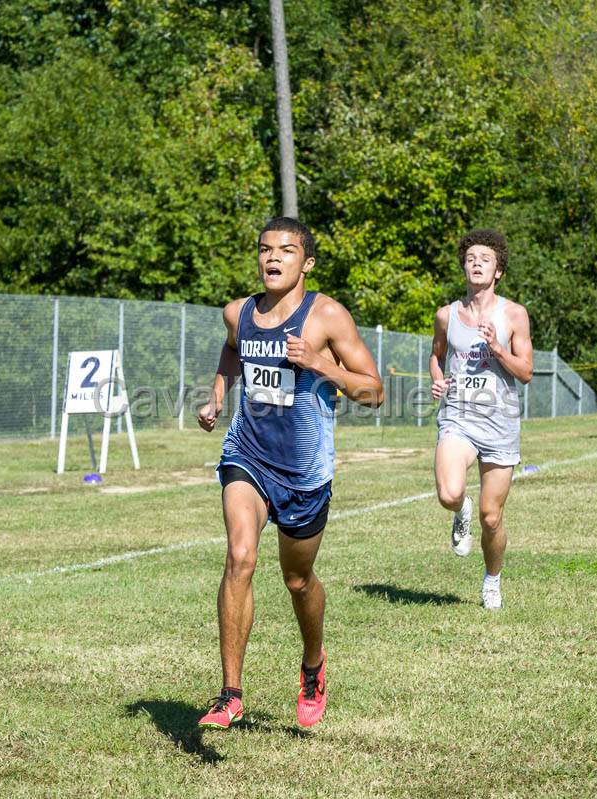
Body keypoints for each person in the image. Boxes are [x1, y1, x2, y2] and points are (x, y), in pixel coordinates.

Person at [196, 217, 383, 730]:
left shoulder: (326, 316)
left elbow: (374, 391)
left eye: (285, 250)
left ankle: (313, 664)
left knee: (298, 581)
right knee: (240, 556)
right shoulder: (238, 313)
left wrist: (322, 366)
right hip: (248, 454)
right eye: (264, 249)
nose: (272, 258)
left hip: (304, 470)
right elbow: (233, 351)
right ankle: (230, 694)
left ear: (307, 262)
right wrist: (217, 394)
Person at [430, 229, 533, 611]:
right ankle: (460, 511)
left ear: (498, 271)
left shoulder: (514, 315)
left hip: (500, 422)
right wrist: (438, 380)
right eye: (471, 257)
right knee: (448, 493)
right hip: (458, 415)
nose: (476, 263)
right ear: (464, 266)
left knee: (492, 518)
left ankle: (492, 579)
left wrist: (497, 349)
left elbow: (525, 372)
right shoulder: (446, 315)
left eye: (485, 259)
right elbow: (436, 356)